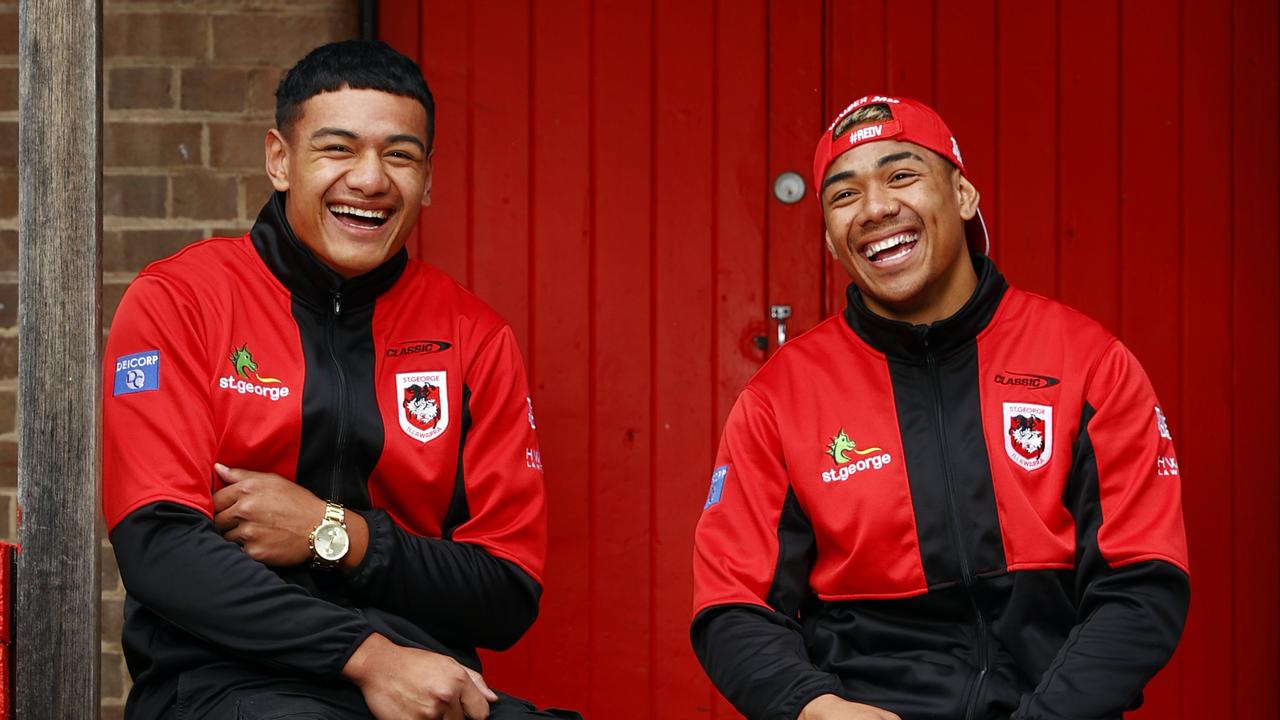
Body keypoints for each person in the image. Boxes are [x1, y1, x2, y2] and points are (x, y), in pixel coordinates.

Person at [103, 40, 578, 720]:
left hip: (424, 689)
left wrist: (338, 534)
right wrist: (365, 655)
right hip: (222, 684)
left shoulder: (475, 336)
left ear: (429, 178)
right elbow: (160, 546)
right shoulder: (179, 302)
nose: (370, 178)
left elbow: (506, 592)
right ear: (279, 160)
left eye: (400, 155)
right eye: (337, 149)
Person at [689, 95, 1190, 720]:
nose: (875, 208)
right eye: (844, 196)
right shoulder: (778, 399)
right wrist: (815, 707)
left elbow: (1143, 585)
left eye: (901, 175)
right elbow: (731, 604)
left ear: (963, 196)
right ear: (828, 237)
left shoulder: (1090, 363)